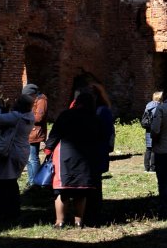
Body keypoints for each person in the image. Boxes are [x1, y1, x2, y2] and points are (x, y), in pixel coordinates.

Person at [45, 90, 102, 228]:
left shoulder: (66, 115)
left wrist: (48, 149)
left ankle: (59, 222)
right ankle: (78, 221)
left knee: (62, 190)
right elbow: (99, 138)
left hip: (65, 155)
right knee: (80, 191)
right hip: (85, 157)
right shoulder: (94, 118)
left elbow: (55, 133)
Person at [0, 94, 35, 221]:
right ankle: (13, 211)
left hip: (9, 152)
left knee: (1, 183)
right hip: (20, 150)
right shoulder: (29, 116)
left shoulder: (17, 116)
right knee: (11, 182)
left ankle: (4, 212)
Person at [88, 83, 115, 225]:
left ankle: (94, 212)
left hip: (96, 150)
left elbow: (104, 132)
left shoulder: (101, 111)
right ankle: (91, 211)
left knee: (95, 183)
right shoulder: (101, 110)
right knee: (93, 182)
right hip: (95, 150)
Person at [23, 83, 48, 188]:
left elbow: (39, 118)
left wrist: (24, 116)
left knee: (32, 158)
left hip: (35, 132)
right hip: (29, 132)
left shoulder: (41, 100)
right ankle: (31, 180)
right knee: (29, 158)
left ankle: (35, 182)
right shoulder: (33, 100)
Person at [142, 92, 162, 173]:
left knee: (148, 149)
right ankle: (153, 168)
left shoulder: (148, 105)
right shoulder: (159, 107)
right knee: (155, 149)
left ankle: (146, 168)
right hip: (156, 129)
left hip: (148, 129)